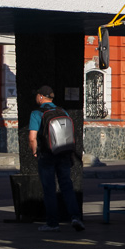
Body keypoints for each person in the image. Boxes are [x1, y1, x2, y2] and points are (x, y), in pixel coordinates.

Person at [28, 86, 84, 233]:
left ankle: (52, 223)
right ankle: (75, 217)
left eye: (37, 96)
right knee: (67, 186)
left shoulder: (37, 113)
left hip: (47, 155)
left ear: (40, 97)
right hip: (64, 153)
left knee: (49, 189)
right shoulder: (62, 111)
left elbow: (32, 137)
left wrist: (34, 151)